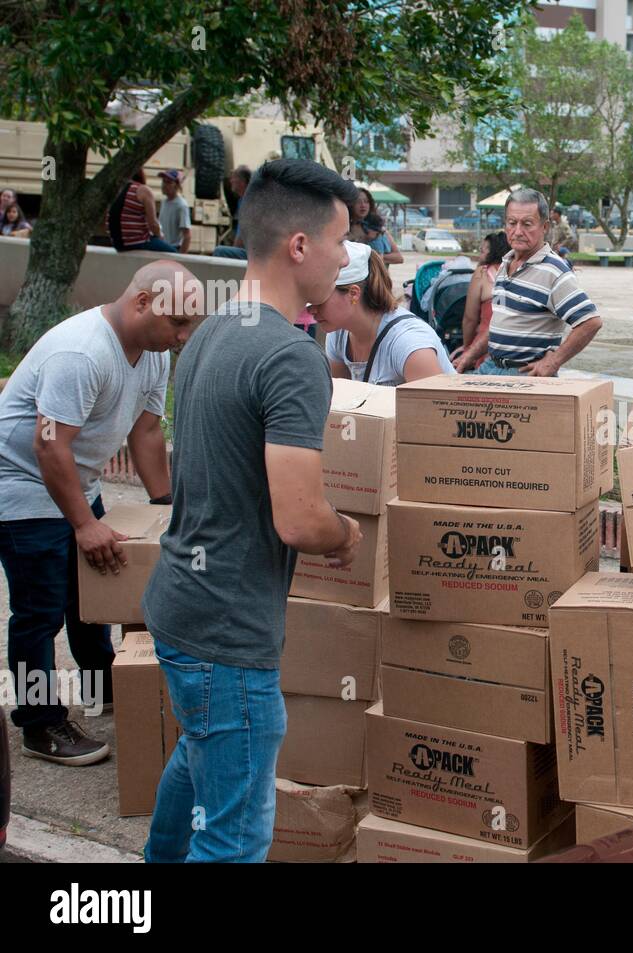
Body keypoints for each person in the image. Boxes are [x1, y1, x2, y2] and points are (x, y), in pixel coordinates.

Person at [141, 159, 363, 863]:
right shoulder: (290, 356)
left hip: (178, 604)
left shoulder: (213, 330)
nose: (346, 258)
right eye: (339, 240)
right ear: (299, 246)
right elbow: (299, 519)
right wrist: (348, 531)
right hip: (227, 630)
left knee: (203, 755)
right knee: (235, 839)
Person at [0, 262, 198, 765]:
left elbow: (147, 432)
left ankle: (103, 685)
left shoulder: (150, 354)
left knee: (93, 591)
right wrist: (84, 523)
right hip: (20, 483)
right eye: (177, 323)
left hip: (72, 477)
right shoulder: (81, 352)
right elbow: (49, 446)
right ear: (140, 303)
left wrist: (165, 507)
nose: (182, 337)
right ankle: (38, 723)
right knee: (40, 610)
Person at [454, 188, 602, 376]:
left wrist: (553, 362)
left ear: (545, 227)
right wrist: (469, 355)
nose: (518, 231)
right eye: (512, 223)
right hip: (491, 367)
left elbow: (590, 322)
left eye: (527, 224)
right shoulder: (505, 264)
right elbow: (501, 324)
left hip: (525, 374)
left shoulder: (554, 271)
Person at [313, 241, 455, 385]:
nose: (311, 309)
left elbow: (432, 406)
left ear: (353, 294)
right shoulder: (338, 333)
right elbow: (340, 398)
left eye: (319, 299)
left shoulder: (410, 344)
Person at [455, 230, 510, 371]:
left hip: (485, 348)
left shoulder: (483, 272)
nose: (480, 255)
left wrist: (467, 347)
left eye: (483, 250)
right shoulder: (518, 270)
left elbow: (469, 318)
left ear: (494, 252)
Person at [106, 170, 176, 253]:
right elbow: (153, 224)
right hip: (137, 243)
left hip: (117, 244)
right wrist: (160, 236)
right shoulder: (143, 190)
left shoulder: (117, 189)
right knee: (173, 253)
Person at [212, 166, 251, 259]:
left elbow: (243, 234)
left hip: (252, 254)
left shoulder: (250, 202)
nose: (231, 181)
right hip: (245, 250)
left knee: (219, 251)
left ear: (242, 181)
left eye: (234, 177)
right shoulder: (241, 201)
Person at [158, 170, 191, 254]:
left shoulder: (181, 205)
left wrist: (181, 257)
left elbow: (187, 235)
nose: (164, 185)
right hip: (162, 247)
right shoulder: (164, 202)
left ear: (177, 186)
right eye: (163, 181)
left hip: (173, 248)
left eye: (168, 182)